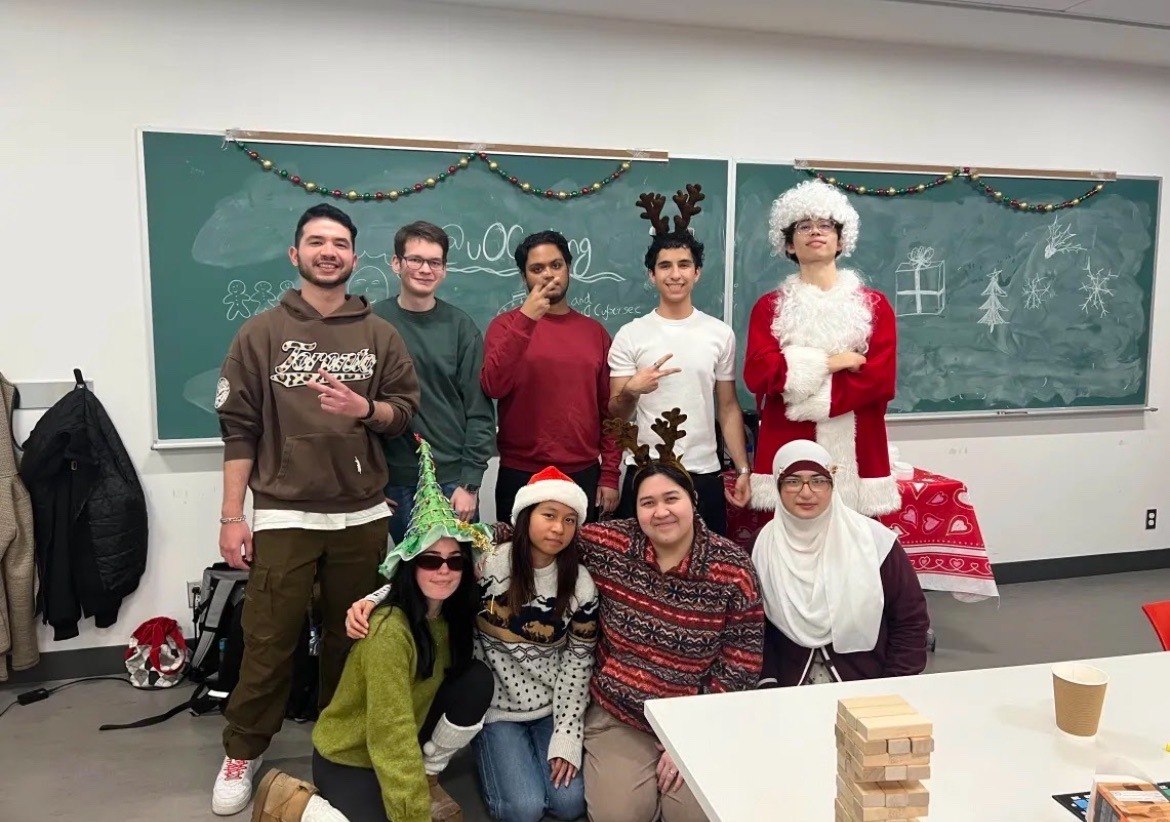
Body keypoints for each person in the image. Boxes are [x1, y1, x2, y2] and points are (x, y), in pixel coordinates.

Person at [211, 203, 421, 816]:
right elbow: (238, 431)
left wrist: (366, 411)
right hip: (285, 515)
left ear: (354, 259)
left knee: (350, 640)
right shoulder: (260, 332)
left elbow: (404, 412)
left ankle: (337, 748)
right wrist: (232, 517)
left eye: (339, 243)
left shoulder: (380, 333)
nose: (328, 251)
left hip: (361, 515)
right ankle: (243, 750)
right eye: (315, 242)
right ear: (295, 254)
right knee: (268, 640)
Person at [493, 410, 764, 822]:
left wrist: (696, 727)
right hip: (620, 713)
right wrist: (494, 540)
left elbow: (741, 659)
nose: (661, 512)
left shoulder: (731, 567)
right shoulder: (612, 545)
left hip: (694, 714)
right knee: (620, 815)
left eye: (671, 499)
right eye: (647, 502)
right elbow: (547, 531)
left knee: (695, 814)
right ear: (635, 510)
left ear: (692, 500)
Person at [251, 437, 495, 822]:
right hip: (351, 755)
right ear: (410, 566)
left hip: (405, 734)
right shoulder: (388, 632)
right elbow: (389, 733)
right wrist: (413, 816)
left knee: (476, 679)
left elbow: (508, 540)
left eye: (454, 561)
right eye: (430, 560)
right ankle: (296, 805)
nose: (444, 569)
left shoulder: (452, 614)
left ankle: (427, 779)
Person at [348, 466, 599, 822]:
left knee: (569, 804)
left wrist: (568, 734)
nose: (558, 528)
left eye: (570, 520)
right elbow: (434, 577)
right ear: (525, 517)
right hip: (495, 707)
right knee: (523, 809)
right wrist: (377, 597)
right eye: (548, 515)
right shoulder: (490, 561)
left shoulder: (581, 585)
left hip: (549, 708)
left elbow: (579, 659)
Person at [742, 179, 900, 518]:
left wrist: (800, 394)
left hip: (860, 448)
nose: (816, 232)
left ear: (841, 240)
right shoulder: (769, 307)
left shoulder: (874, 306)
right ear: (788, 245)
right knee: (792, 546)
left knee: (856, 547)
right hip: (788, 444)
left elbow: (880, 380)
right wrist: (833, 363)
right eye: (804, 226)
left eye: (825, 225)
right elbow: (759, 374)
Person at [609, 185, 752, 535]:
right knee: (643, 569)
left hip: (702, 472)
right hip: (646, 470)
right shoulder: (631, 334)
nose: (675, 274)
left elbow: (729, 408)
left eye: (684, 265)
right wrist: (633, 389)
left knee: (703, 567)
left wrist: (743, 469)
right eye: (665, 266)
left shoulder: (719, 334)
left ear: (697, 272)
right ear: (652, 275)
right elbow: (615, 413)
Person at [753, 440, 928, 687]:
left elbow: (910, 619)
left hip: (867, 681)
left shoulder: (874, 542)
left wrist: (895, 682)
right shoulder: (760, 547)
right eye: (793, 481)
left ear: (832, 485)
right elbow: (752, 629)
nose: (806, 492)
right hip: (787, 687)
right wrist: (767, 683)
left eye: (818, 481)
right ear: (778, 486)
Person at [481, 230, 620, 523]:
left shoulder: (594, 333)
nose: (548, 275)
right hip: (520, 471)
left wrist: (609, 474)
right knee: (514, 563)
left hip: (581, 471)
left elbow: (611, 412)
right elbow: (494, 385)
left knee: (578, 564)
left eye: (556, 265)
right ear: (524, 277)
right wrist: (526, 320)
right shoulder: (504, 326)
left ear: (568, 268)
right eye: (537, 269)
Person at [374, 220, 495, 540]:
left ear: (444, 270)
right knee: (408, 578)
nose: (425, 269)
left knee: (458, 578)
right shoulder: (372, 324)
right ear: (396, 263)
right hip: (394, 483)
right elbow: (357, 412)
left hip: (453, 482)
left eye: (435, 262)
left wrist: (470, 483)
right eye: (415, 260)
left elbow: (479, 412)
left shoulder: (460, 327)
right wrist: (369, 485)